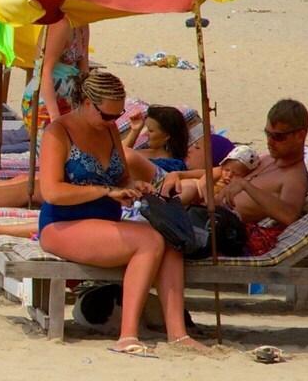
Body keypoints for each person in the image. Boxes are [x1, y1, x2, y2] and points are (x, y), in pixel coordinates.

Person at [23, 71, 206, 355]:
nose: (113, 121)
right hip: (63, 225)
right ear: (86, 102)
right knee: (148, 241)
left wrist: (133, 187)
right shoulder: (58, 132)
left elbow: (120, 178)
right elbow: (52, 192)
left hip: (104, 223)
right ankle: (127, 335)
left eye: (118, 115)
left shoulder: (108, 130)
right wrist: (105, 192)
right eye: (108, 115)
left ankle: (178, 335)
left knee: (170, 240)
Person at [0, 105, 190, 213]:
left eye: (151, 131)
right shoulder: (144, 152)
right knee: (28, 179)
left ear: (166, 136)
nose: (146, 134)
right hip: (107, 187)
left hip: (114, 197)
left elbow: (119, 162)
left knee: (31, 188)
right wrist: (133, 131)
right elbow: (120, 161)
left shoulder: (169, 165)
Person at [159, 100, 308, 256]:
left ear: (300, 135)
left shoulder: (294, 176)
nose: (270, 142)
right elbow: (222, 170)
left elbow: (289, 215)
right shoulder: (267, 157)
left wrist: (246, 185)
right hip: (201, 211)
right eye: (267, 134)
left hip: (213, 233)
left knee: (156, 238)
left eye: (278, 137)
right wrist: (179, 174)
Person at [25, 20, 92, 129]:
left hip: (69, 100)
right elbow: (44, 71)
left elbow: (84, 71)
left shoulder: (83, 24)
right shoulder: (60, 24)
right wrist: (54, 116)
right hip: (46, 102)